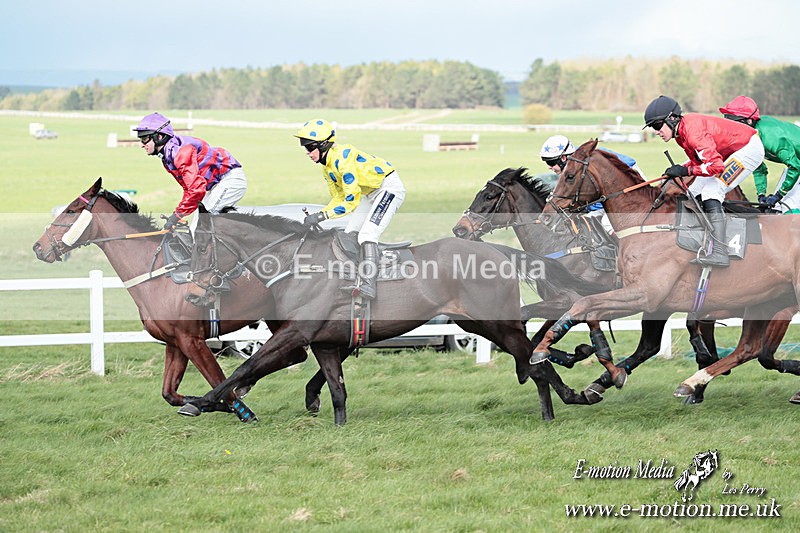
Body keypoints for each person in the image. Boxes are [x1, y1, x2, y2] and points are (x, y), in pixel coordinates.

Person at [643, 95, 765, 267]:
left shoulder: (692, 132)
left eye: (657, 125)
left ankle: (720, 251)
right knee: (691, 192)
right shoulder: (680, 134)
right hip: (731, 151)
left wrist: (685, 171)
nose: (656, 131)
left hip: (749, 150)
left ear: (672, 119)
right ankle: (701, 238)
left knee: (712, 191)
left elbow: (716, 167)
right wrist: (680, 169)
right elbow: (698, 163)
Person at [294, 118, 405, 300]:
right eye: (303, 146)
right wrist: (317, 215)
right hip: (369, 194)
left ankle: (369, 285)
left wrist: (322, 216)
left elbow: (351, 202)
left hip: (388, 189)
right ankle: (355, 277)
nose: (306, 152)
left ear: (322, 145)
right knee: (349, 234)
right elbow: (338, 199)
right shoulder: (327, 167)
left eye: (308, 147)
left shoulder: (343, 159)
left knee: (367, 235)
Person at [133, 112, 247, 229]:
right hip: (216, 185)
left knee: (203, 224)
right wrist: (177, 215)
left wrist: (176, 216)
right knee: (197, 226)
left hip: (229, 180)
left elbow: (196, 190)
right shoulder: (168, 157)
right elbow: (189, 190)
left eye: (145, 139)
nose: (142, 145)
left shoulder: (180, 153)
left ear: (159, 137)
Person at [539, 134, 646, 236]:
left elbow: (604, 195)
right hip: (612, 186)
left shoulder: (584, 163)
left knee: (606, 222)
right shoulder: (573, 164)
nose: (549, 167)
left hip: (631, 179)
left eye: (551, 163)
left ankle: (621, 251)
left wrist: (588, 208)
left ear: (563, 158)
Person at [719, 95, 800, 214]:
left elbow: (795, 166)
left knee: (789, 209)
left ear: (749, 121)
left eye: (734, 125)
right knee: (777, 209)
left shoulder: (771, 137)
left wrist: (779, 195)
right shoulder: (750, 136)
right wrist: (761, 195)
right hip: (796, 164)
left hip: (796, 165)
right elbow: (758, 168)